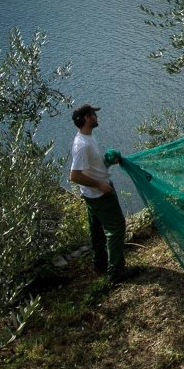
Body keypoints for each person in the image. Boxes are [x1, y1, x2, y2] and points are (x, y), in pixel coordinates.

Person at [68, 103, 126, 279]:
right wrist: (100, 184)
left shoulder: (87, 138)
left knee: (97, 230)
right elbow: (75, 176)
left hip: (91, 194)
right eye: (94, 114)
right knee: (116, 227)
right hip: (100, 194)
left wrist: (108, 162)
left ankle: (100, 263)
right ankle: (115, 271)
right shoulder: (82, 145)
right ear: (87, 118)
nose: (97, 117)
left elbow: (91, 166)